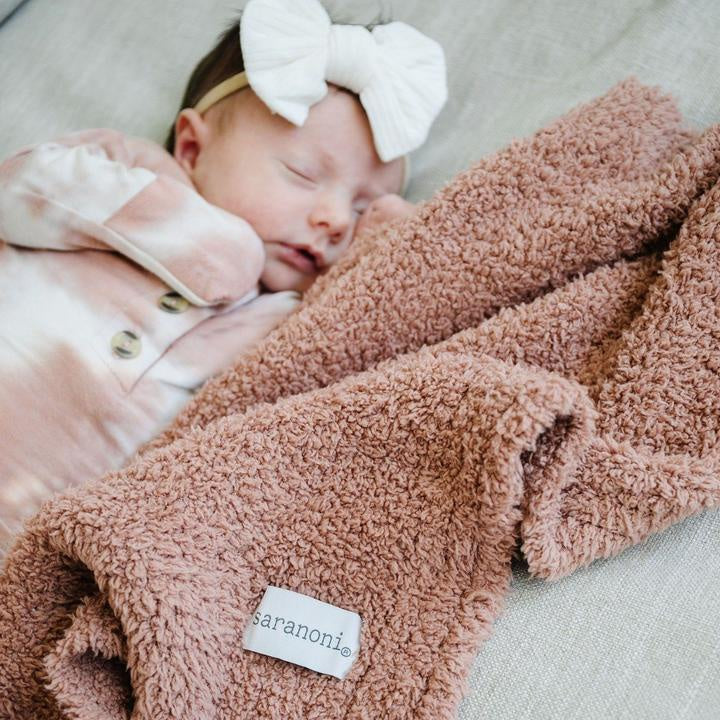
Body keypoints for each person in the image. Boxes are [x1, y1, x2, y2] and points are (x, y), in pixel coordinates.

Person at [0, 0, 447, 553]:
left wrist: (385, 255)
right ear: (192, 146)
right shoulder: (126, 168)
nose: (335, 219)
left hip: (38, 552)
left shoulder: (284, 322)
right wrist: (204, 239)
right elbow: (18, 187)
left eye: (361, 209)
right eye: (302, 173)